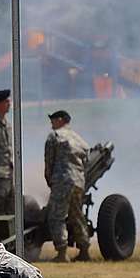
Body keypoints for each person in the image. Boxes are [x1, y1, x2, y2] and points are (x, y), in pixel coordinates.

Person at [42, 110, 89, 262]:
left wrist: (50, 179)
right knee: (77, 215)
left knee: (57, 216)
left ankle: (62, 253)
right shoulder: (79, 139)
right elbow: (86, 162)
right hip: (78, 182)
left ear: (61, 120)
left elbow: (49, 161)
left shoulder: (55, 136)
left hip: (62, 181)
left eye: (53, 120)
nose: (51, 123)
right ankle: (84, 251)